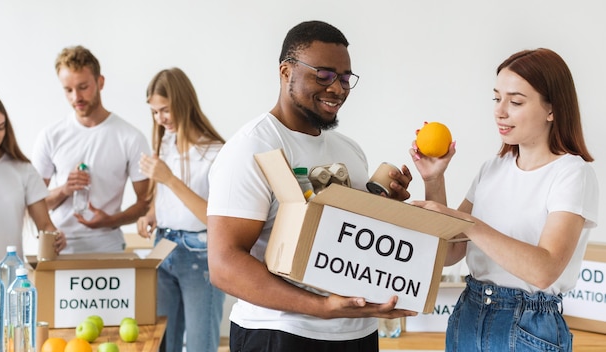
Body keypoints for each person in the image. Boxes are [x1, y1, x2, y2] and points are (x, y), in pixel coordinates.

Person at [207, 20, 416, 352]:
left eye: (345, 78)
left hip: (356, 333)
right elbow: (224, 265)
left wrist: (387, 204)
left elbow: (351, 238)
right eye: (323, 75)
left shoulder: (349, 149)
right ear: (286, 72)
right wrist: (322, 307)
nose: (337, 88)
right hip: (280, 333)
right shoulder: (251, 147)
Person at [410, 48, 599, 351]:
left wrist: (469, 224)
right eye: (497, 98)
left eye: (516, 101)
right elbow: (448, 254)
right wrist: (434, 180)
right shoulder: (492, 168)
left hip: (528, 327)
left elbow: (544, 270)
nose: (500, 111)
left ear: (552, 109)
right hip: (468, 315)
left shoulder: (571, 173)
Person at [136, 68, 226, 352]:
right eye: (154, 112)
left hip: (199, 256)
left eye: (165, 110)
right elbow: (161, 194)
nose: (160, 119)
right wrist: (152, 212)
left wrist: (169, 179)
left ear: (184, 103)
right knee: (163, 343)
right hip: (163, 247)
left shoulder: (216, 153)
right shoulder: (165, 142)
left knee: (200, 345)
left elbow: (215, 219)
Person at [32, 45, 150, 253]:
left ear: (100, 82)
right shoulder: (51, 136)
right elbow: (35, 204)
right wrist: (65, 189)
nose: (76, 97)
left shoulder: (130, 137)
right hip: (60, 248)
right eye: (68, 90)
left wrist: (111, 221)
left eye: (83, 87)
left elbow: (145, 202)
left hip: (108, 247)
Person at [0, 92, 67, 269]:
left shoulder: (23, 170)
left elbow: (45, 225)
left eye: (1, 127)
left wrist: (55, 238)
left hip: (10, 283)